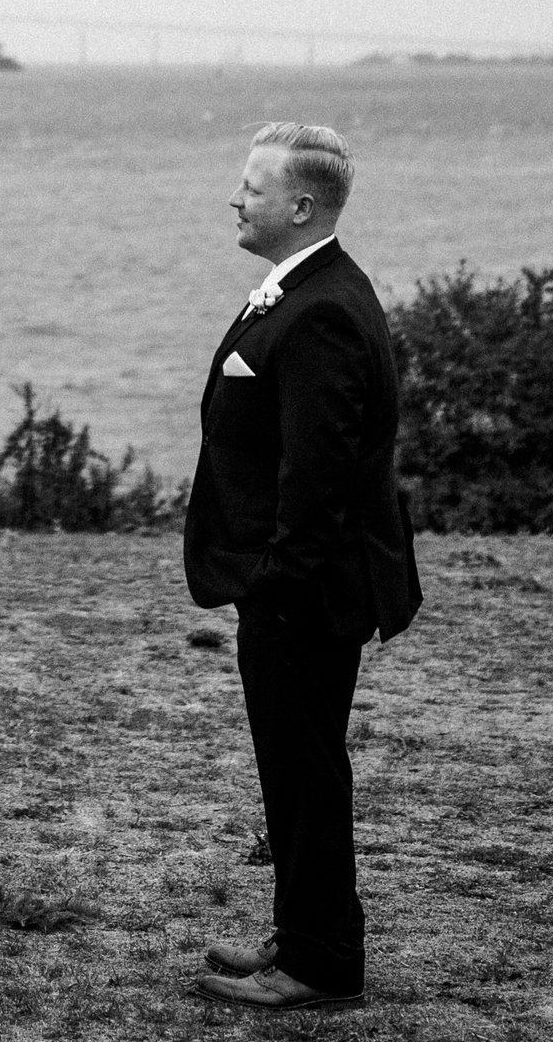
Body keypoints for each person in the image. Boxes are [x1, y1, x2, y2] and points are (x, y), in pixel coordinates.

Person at [183, 120, 422, 1011]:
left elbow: (317, 476)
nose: (235, 198)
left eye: (252, 186)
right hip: (299, 586)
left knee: (306, 772)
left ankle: (321, 963)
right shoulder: (307, 288)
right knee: (295, 770)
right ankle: (303, 934)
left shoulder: (322, 308)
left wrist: (275, 585)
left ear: (301, 205)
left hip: (306, 592)